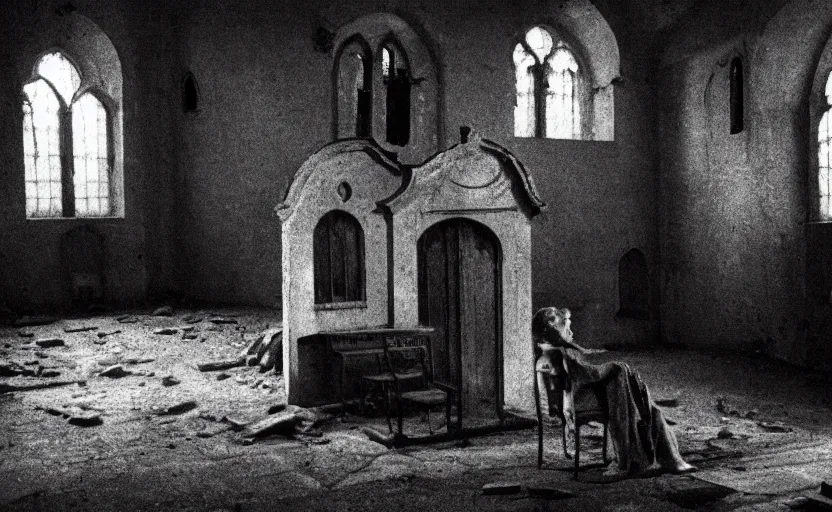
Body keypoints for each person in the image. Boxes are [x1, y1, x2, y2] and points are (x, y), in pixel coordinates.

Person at [533, 306, 695, 476]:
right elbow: (591, 374)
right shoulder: (559, 353)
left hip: (575, 398)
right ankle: (656, 457)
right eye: (567, 328)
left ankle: (660, 447)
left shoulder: (545, 352)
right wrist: (614, 366)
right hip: (579, 402)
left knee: (640, 396)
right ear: (555, 330)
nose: (571, 333)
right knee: (625, 379)